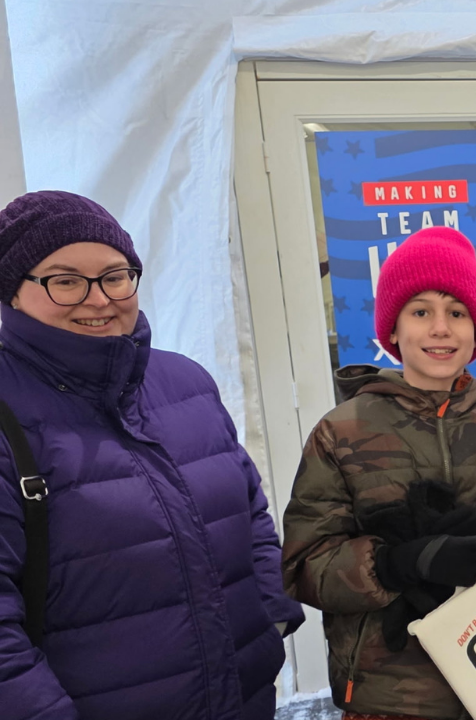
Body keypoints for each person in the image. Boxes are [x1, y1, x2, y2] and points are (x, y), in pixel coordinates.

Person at [0, 191, 303, 719]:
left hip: (244, 700)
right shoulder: (8, 414)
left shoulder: (185, 382)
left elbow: (249, 510)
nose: (98, 299)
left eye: (115, 275)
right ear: (13, 294)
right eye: (65, 280)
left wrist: (271, 618)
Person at [281, 226, 476, 720]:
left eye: (457, 312)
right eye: (420, 311)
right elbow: (304, 564)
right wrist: (398, 564)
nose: (440, 328)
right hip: (388, 695)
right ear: (394, 329)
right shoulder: (340, 433)